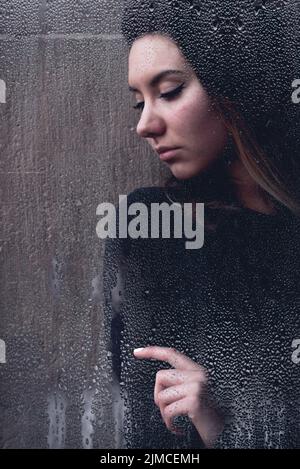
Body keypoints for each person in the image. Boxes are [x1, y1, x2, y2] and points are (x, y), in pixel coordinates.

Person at [102, 0, 300, 449]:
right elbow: (148, 435)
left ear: (233, 86)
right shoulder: (151, 228)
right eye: (139, 102)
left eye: (169, 91)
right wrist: (219, 428)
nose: (145, 125)